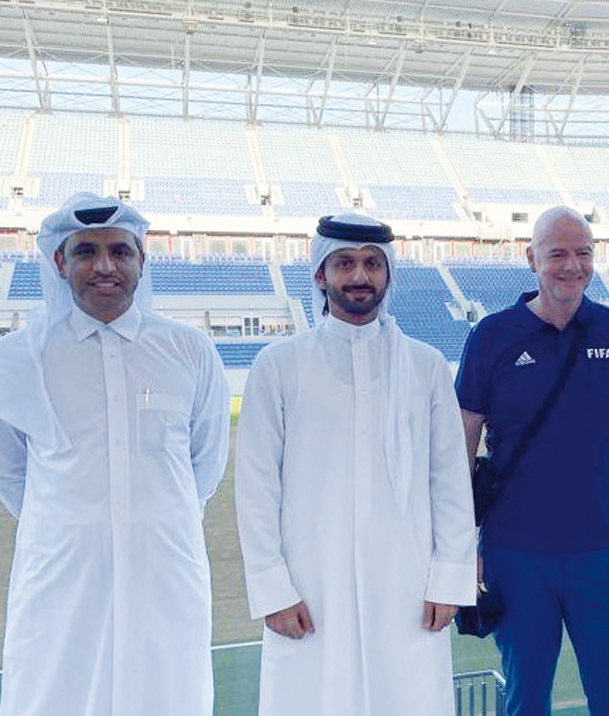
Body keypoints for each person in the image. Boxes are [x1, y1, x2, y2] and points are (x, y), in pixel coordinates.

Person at [236, 212, 476, 716]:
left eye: (372, 263)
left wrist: (448, 579)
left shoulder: (426, 365)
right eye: (344, 263)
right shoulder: (278, 365)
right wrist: (273, 589)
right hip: (310, 587)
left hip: (408, 588)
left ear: (388, 274)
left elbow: (450, 482)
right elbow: (256, 489)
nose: (360, 276)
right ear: (321, 275)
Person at [0, 192, 230, 716]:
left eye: (120, 252)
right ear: (60, 261)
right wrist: (72, 527)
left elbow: (206, 462)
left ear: (142, 261)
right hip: (60, 581)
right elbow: (11, 474)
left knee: (167, 695)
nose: (105, 266)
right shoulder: (17, 359)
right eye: (86, 252)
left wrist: (148, 523)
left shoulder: (190, 351)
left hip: (165, 574)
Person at [455, 206, 609, 716]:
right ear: (531, 259)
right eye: (557, 254)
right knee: (525, 701)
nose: (572, 266)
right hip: (515, 556)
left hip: (601, 552)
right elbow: (459, 446)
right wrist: (462, 543)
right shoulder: (491, 337)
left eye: (583, 253)